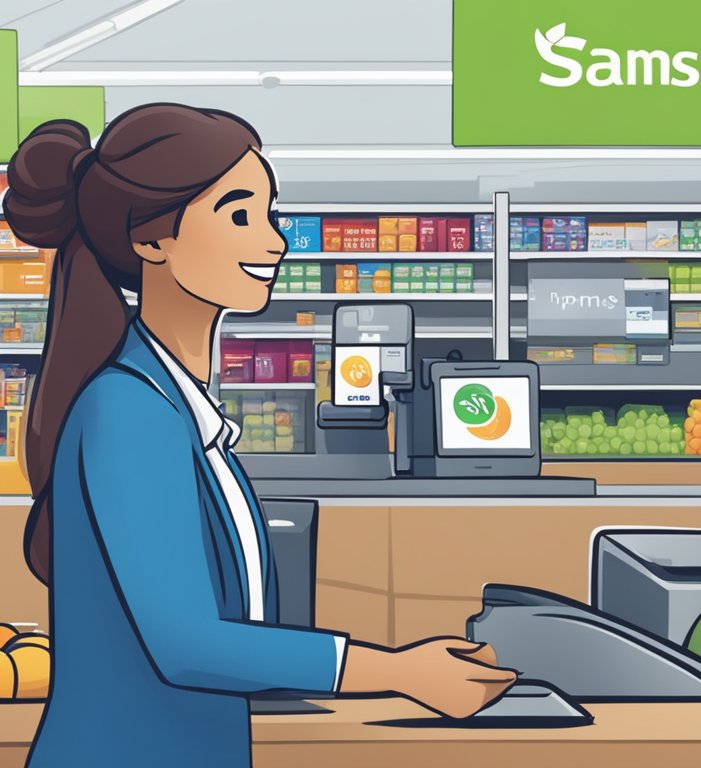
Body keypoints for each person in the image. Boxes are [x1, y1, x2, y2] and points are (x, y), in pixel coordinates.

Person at [6, 106, 516, 768]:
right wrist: (398, 672)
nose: (274, 242)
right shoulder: (128, 412)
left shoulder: (181, 414)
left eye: (271, 215)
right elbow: (186, 643)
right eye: (240, 216)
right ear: (150, 239)